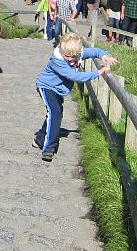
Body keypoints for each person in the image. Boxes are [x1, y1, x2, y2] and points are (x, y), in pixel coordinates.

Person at [34, 32, 116, 162]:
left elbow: (93, 52)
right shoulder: (57, 60)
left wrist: (103, 55)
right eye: (67, 56)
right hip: (47, 87)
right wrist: (98, 72)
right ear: (61, 50)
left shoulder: (75, 53)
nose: (71, 59)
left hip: (59, 89)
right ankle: (49, 148)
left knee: (55, 113)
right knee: (54, 113)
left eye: (74, 57)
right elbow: (75, 76)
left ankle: (39, 138)